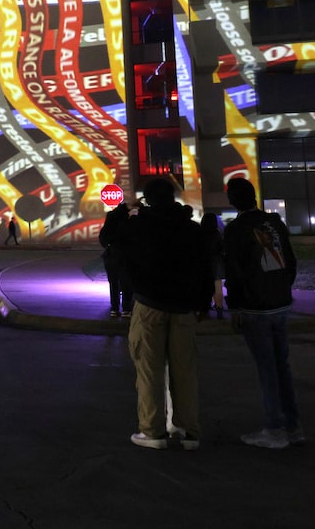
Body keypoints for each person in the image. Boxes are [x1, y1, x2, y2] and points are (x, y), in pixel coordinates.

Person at [115, 178, 211, 451]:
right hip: (184, 308)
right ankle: (188, 431)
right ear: (173, 198)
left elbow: (110, 240)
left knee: (149, 370)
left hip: (149, 305)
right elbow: (205, 267)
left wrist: (125, 209)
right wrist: (203, 302)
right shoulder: (191, 230)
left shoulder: (138, 227)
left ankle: (152, 430)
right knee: (185, 371)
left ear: (148, 199)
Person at [224, 177, 303, 450]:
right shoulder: (275, 223)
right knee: (282, 366)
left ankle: (274, 429)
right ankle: (292, 426)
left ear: (232, 200)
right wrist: (282, 288)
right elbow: (290, 261)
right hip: (281, 302)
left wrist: (234, 305)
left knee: (267, 369)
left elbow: (234, 272)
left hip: (256, 307)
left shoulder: (235, 229)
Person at [99, 202, 133, 318]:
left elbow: (103, 238)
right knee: (126, 283)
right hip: (125, 256)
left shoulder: (110, 221)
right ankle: (126, 308)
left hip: (110, 256)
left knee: (113, 283)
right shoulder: (128, 223)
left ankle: (114, 308)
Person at [200, 212, 225, 319]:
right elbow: (222, 248)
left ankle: (204, 311)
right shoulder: (217, 233)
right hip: (216, 263)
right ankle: (219, 310)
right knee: (218, 288)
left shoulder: (200, 233)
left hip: (203, 263)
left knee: (204, 287)